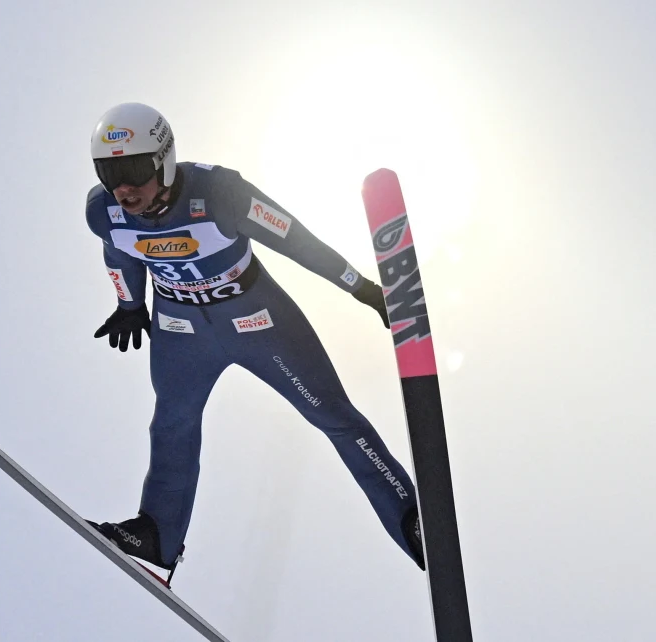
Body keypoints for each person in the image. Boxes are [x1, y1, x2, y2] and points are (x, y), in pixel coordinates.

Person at [83, 102, 424, 582]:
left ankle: (411, 520)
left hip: (257, 319)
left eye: (135, 169)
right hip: (180, 329)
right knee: (171, 424)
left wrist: (362, 289)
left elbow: (297, 241)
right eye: (109, 172)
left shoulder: (221, 193)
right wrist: (129, 304)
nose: (124, 188)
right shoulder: (104, 211)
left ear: (163, 159)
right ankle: (158, 535)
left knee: (334, 416)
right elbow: (119, 253)